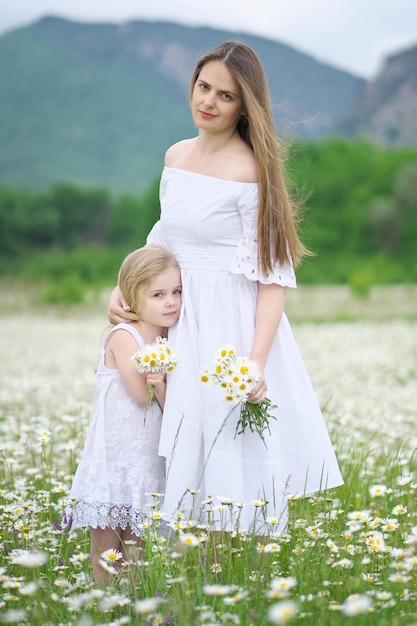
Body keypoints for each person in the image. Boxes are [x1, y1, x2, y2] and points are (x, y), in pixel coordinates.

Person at [109, 41, 343, 535]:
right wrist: (125, 285)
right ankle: (178, 574)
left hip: (229, 329)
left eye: (226, 95)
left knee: (226, 451)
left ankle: (227, 571)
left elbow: (273, 276)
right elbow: (164, 237)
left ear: (244, 106)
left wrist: (253, 363)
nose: (209, 102)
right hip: (176, 314)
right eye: (203, 87)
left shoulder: (251, 169)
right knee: (173, 436)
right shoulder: (175, 155)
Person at [64, 245, 182, 584]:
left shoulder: (168, 339)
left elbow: (168, 401)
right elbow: (138, 395)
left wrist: (160, 384)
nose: (171, 301)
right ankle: (103, 600)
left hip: (145, 459)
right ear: (131, 297)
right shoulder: (124, 337)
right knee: (106, 546)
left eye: (176, 292)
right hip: (114, 458)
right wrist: (157, 383)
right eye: (158, 294)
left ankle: (130, 606)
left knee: (135, 548)